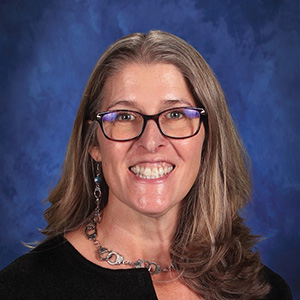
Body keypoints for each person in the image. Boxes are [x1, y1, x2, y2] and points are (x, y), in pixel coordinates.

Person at [0, 30, 292, 300]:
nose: (151, 142)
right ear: (93, 144)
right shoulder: (21, 288)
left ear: (208, 137)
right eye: (125, 116)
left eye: (175, 115)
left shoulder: (264, 289)